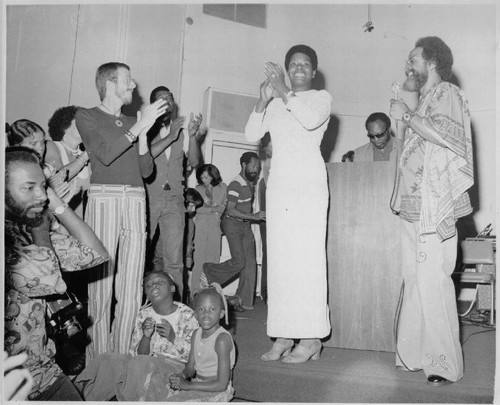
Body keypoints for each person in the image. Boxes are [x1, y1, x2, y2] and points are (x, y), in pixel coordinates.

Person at [389, 36, 473, 386]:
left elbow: (446, 136)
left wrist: (406, 114)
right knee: (413, 280)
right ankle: (411, 355)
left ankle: (442, 364)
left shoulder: (448, 93)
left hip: (432, 205)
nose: (409, 65)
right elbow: (403, 143)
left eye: (414, 59)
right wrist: (403, 107)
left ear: (433, 62)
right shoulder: (423, 99)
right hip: (410, 208)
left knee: (433, 282)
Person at [76, 62, 168, 361]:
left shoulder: (134, 120)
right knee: (100, 288)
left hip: (136, 199)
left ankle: (121, 359)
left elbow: (146, 169)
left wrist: (142, 135)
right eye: (127, 81)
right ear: (110, 83)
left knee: (130, 287)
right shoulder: (86, 116)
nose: (133, 86)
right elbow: (104, 155)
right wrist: (139, 127)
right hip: (104, 198)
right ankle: (99, 362)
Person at [245, 44, 331, 363]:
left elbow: (309, 121)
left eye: (304, 64)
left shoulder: (321, 98)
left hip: (308, 185)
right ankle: (283, 333)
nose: (298, 68)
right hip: (279, 186)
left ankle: (310, 339)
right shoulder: (277, 103)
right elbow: (251, 132)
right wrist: (263, 98)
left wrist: (282, 90)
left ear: (313, 71)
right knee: (280, 261)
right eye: (292, 64)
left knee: (306, 261)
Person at [4, 146, 108, 400]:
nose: (40, 195)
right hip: (9, 384)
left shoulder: (25, 229)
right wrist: (41, 229)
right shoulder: (10, 240)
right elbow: (53, 282)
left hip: (43, 372)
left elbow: (96, 253)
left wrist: (59, 206)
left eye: (43, 186)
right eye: (29, 188)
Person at [74, 271, 199, 401]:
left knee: (139, 364)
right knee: (109, 359)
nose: (153, 286)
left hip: (174, 365)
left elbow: (194, 357)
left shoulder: (187, 315)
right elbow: (139, 354)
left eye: (159, 282)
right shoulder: (143, 315)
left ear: (172, 288)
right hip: (142, 361)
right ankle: (86, 399)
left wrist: (172, 337)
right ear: (146, 295)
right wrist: (146, 337)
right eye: (148, 285)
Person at [145, 85, 203, 302]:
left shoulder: (182, 130)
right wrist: (169, 137)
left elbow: (195, 162)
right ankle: (139, 303)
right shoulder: (145, 129)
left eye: (170, 98)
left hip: (174, 200)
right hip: (149, 199)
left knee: (175, 261)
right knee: (140, 257)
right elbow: (146, 156)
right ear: (153, 105)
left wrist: (193, 136)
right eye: (161, 98)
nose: (167, 101)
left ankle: (175, 309)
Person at [202, 152, 265, 311]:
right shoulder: (235, 184)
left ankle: (241, 300)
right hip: (232, 225)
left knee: (250, 265)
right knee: (239, 261)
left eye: (257, 167)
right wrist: (254, 216)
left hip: (245, 226)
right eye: (253, 166)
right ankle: (209, 271)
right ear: (244, 165)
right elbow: (230, 210)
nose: (256, 170)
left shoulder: (251, 182)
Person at [168, 284, 235, 402]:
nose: (206, 314)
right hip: (198, 383)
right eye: (201, 309)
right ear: (195, 315)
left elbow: (221, 384)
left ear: (221, 314)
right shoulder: (196, 334)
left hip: (217, 390)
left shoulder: (222, 339)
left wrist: (187, 386)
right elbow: (190, 368)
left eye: (212, 309)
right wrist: (181, 376)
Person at [7, 119, 71, 201]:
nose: (41, 147)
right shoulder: (9, 174)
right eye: (33, 143)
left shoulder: (47, 169)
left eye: (42, 142)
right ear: (16, 146)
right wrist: (49, 198)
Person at [45, 105, 91, 218]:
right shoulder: (51, 145)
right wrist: (85, 156)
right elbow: (59, 178)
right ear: (64, 127)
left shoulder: (85, 154)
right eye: (80, 123)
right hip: (57, 220)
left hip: (79, 221)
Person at [191, 164, 227, 295]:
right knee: (198, 260)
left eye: (206, 177)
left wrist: (212, 208)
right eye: (201, 177)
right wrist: (212, 209)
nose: (203, 179)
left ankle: (211, 294)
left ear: (213, 175)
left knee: (213, 261)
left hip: (215, 226)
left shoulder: (222, 187)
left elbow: (223, 207)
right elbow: (197, 208)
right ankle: (194, 292)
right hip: (200, 226)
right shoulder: (197, 189)